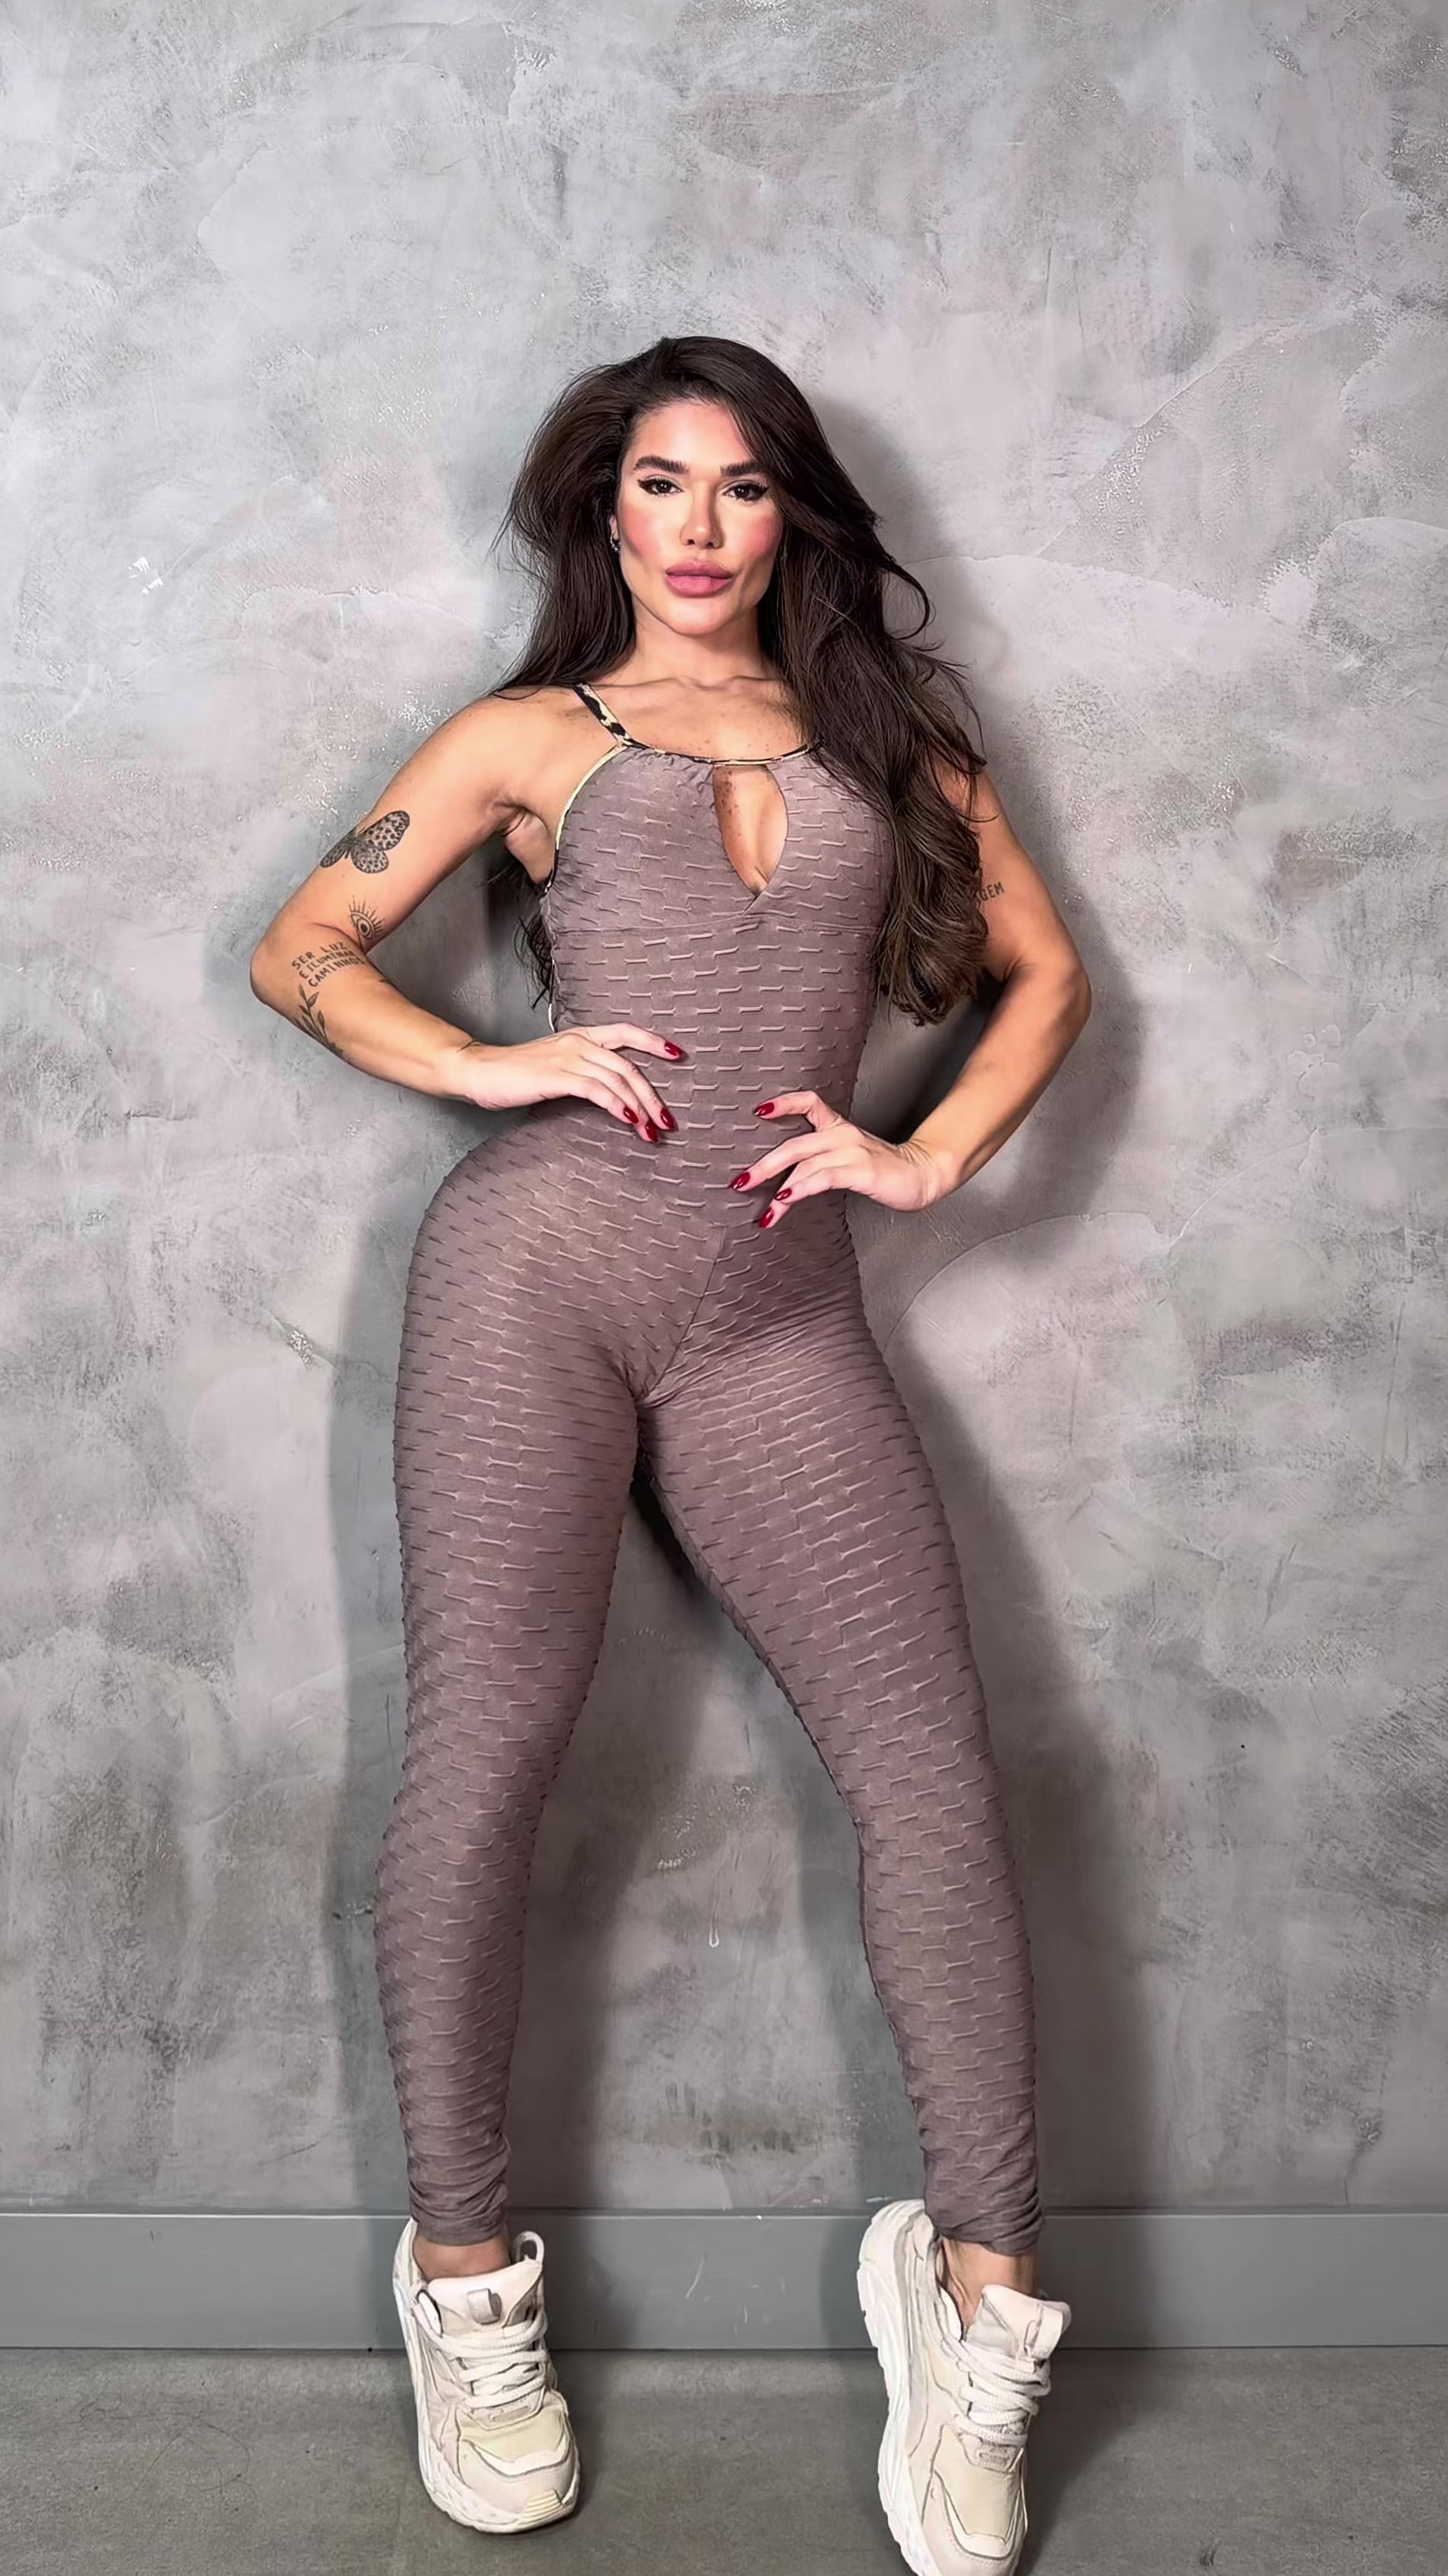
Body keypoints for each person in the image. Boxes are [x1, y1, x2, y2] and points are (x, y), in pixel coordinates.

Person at [250, 333, 1091, 2576]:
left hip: (774, 1316)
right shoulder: (532, 736)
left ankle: (982, 2306)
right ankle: (465, 2286)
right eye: (657, 482)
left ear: (789, 512)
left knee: (932, 1775)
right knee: (486, 1759)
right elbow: (301, 945)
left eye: (739, 484)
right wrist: (489, 1068)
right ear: (600, 510)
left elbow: (1047, 979)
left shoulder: (893, 743)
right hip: (533, 1280)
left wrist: (918, 1163)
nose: (699, 525)